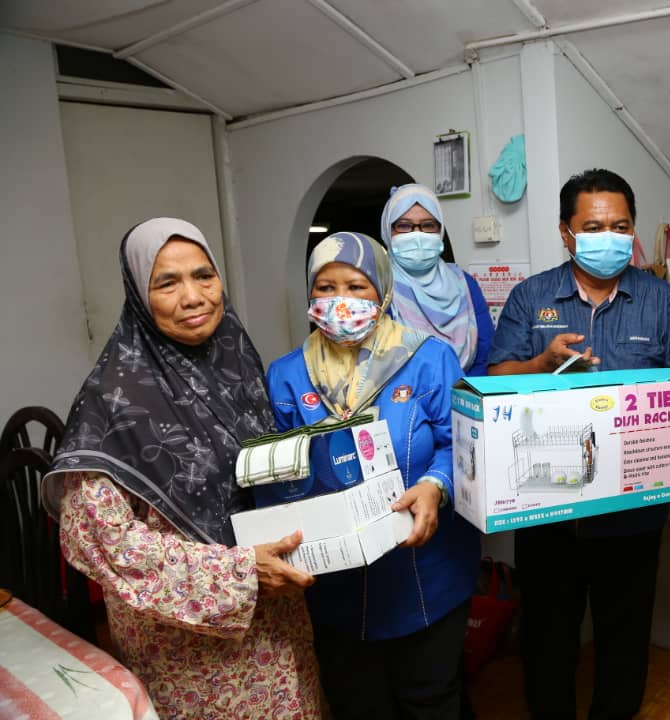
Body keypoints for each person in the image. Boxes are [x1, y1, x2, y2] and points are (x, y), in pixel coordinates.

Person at [41, 218, 321, 718]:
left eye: (204, 276)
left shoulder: (236, 357)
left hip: (277, 617)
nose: (193, 297)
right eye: (167, 283)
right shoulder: (113, 398)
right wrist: (237, 570)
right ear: (137, 295)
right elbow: (101, 542)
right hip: (191, 647)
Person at [488, 168, 670, 720]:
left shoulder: (662, 301)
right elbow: (495, 381)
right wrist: (540, 366)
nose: (608, 237)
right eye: (593, 226)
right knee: (549, 640)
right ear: (566, 232)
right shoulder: (530, 297)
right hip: (546, 512)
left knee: (624, 640)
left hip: (631, 514)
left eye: (620, 226)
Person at [265, 231, 480, 719]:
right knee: (358, 704)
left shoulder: (428, 358)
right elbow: (277, 472)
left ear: (382, 292)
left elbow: (459, 445)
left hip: (427, 573)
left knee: (430, 699)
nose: (341, 301)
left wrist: (434, 484)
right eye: (326, 287)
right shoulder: (285, 374)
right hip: (335, 581)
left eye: (357, 287)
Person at [380, 183, 494, 375]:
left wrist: (463, 398)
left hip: (465, 397)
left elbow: (485, 353)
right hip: (401, 399)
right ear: (387, 231)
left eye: (428, 225)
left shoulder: (463, 282)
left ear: (440, 231)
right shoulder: (376, 284)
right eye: (404, 225)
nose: (417, 234)